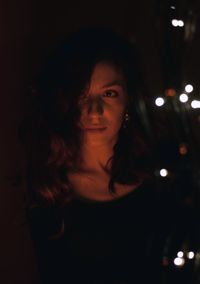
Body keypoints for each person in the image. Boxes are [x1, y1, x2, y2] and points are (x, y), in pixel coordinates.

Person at [19, 27, 168, 284]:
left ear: (128, 102)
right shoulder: (46, 190)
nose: (94, 110)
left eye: (109, 93)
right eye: (81, 95)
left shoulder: (160, 178)